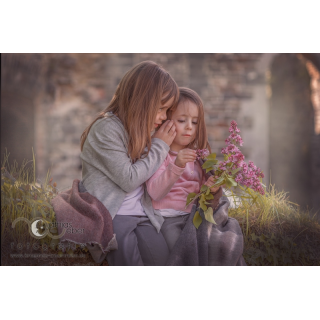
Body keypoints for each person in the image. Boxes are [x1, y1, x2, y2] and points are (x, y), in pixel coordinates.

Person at [79, 61, 179, 266]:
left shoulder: (141, 131)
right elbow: (129, 179)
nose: (163, 117)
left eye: (167, 110)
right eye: (160, 108)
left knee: (163, 260)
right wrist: (160, 145)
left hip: (143, 215)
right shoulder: (106, 129)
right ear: (141, 101)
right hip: (114, 216)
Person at [146, 87, 223, 252]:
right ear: (166, 120)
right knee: (182, 248)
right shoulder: (159, 154)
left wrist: (210, 188)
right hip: (167, 218)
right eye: (182, 121)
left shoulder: (199, 157)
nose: (189, 127)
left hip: (194, 217)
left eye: (194, 122)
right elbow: (154, 192)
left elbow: (203, 198)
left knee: (218, 243)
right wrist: (177, 165)